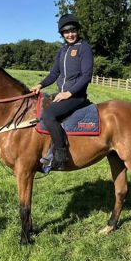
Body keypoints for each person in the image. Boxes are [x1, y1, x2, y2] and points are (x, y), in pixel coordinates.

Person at [30, 13, 94, 170]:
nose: (70, 34)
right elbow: (54, 74)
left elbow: (86, 76)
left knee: (49, 115)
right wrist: (40, 85)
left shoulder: (84, 48)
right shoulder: (63, 50)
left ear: (78, 31)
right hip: (63, 94)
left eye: (73, 30)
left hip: (76, 96)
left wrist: (69, 93)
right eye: (66, 32)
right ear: (62, 34)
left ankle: (60, 155)